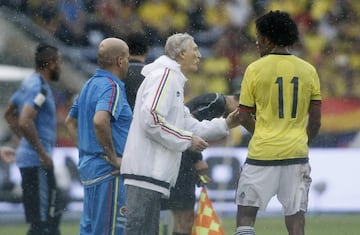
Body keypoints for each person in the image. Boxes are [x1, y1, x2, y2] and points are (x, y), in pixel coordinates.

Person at [120, 32, 239, 235]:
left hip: (152, 174)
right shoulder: (165, 77)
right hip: (146, 173)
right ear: (182, 54)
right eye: (195, 49)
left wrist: (226, 124)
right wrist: (186, 140)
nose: (199, 55)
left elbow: (189, 125)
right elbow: (151, 119)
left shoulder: (172, 79)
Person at [234, 10, 322, 235]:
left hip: (262, 155)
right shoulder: (309, 70)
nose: (256, 42)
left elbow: (243, 115)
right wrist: (303, 140)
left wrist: (262, 133)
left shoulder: (254, 69)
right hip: (296, 153)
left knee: (246, 214)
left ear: (267, 39)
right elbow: (316, 121)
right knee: (296, 218)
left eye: (259, 37)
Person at [65, 37, 131, 235]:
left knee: (90, 230)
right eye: (127, 58)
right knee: (110, 231)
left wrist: (87, 150)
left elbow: (70, 122)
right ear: (120, 61)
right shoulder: (112, 87)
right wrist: (111, 157)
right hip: (107, 172)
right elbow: (100, 121)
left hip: (90, 169)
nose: (128, 62)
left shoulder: (88, 85)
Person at [4, 43, 63, 235]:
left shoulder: (29, 82)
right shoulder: (39, 88)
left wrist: (23, 142)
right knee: (44, 222)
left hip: (31, 159)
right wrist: (41, 152)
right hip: (38, 163)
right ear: (51, 64)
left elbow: (9, 113)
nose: (61, 66)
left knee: (50, 214)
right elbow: (24, 120)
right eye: (59, 61)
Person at [161, 92, 239, 235]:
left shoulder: (214, 101)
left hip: (181, 161)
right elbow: (189, 130)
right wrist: (197, 159)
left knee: (182, 217)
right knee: (184, 217)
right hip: (181, 162)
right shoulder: (216, 103)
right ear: (238, 105)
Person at [124, 31, 149, 111]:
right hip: (143, 121)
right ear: (147, 50)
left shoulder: (117, 72)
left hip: (120, 121)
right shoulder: (153, 74)